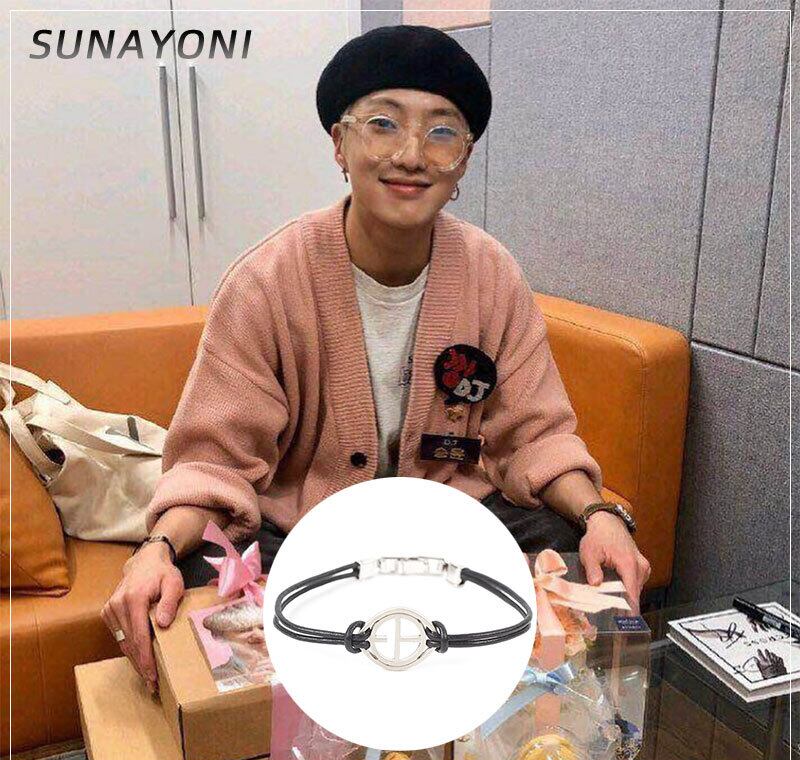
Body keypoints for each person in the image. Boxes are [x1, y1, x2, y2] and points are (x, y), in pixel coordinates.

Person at [102, 24, 650, 694]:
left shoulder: (491, 274)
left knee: (578, 561)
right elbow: (214, 462)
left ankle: (502, 726)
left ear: (464, 160)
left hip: (449, 520)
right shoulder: (267, 281)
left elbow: (534, 436)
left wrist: (598, 516)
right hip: (303, 527)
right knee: (203, 584)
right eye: (383, 124)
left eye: (441, 132)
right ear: (340, 143)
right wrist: (156, 548)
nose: (411, 155)